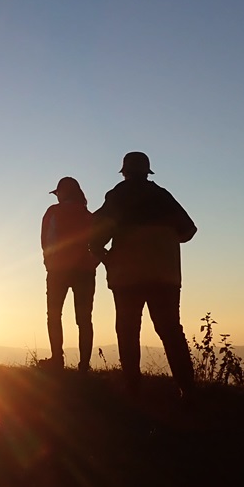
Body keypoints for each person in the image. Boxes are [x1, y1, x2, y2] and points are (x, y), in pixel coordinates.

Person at [90, 152, 197, 396]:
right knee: (170, 330)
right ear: (147, 172)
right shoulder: (162, 196)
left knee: (127, 330)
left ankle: (133, 387)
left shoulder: (117, 197)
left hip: (126, 278)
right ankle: (188, 390)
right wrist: (165, 243)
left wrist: (109, 260)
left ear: (125, 172)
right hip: (165, 277)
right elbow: (189, 230)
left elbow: (96, 240)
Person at [40, 176, 98, 372]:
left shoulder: (53, 212)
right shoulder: (88, 215)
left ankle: (57, 359)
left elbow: (46, 240)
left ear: (62, 193)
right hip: (85, 271)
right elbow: (97, 243)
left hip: (58, 270)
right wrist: (93, 263)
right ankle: (84, 365)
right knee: (84, 319)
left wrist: (49, 262)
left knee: (54, 315)